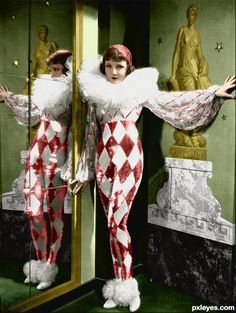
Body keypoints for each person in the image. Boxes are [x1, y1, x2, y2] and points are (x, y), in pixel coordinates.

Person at [69, 44, 235, 312]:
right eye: (109, 66)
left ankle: (129, 289)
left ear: (128, 68)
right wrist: (82, 173)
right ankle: (120, 282)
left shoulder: (138, 90)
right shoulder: (95, 95)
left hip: (129, 157)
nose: (113, 71)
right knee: (111, 225)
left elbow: (172, 102)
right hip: (102, 161)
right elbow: (89, 136)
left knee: (116, 221)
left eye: (119, 66)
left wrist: (211, 93)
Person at [0, 49, 72, 290]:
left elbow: (80, 130)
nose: (53, 75)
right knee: (33, 211)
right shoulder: (44, 90)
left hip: (59, 157)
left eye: (57, 70)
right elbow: (28, 104)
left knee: (55, 214)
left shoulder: (73, 95)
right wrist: (7, 96)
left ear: (67, 71)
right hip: (37, 153)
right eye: (51, 70)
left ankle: (49, 266)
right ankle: (40, 262)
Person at [169, 4, 211, 91]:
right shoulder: (182, 30)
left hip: (194, 69)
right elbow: (176, 52)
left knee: (197, 94)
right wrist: (173, 74)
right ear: (187, 16)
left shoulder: (197, 34)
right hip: (184, 69)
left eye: (193, 15)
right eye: (189, 14)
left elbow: (200, 56)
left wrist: (203, 64)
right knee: (190, 96)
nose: (191, 17)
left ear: (195, 17)